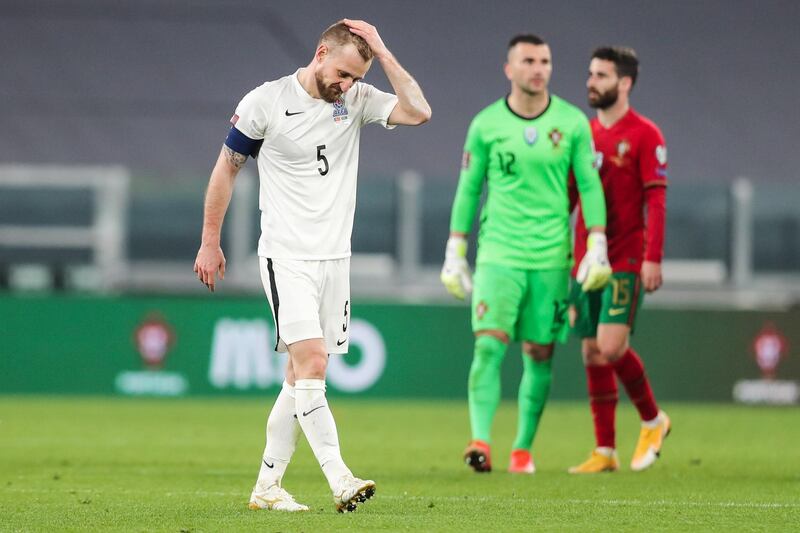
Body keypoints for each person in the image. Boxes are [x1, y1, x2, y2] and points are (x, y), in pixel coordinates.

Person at [193, 19, 430, 511]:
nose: (346, 85)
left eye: (355, 78)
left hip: (334, 260)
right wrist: (209, 241)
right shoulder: (266, 101)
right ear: (321, 52)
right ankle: (340, 478)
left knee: (298, 378)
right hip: (287, 256)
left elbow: (419, 111)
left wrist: (382, 52)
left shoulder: (356, 100)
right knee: (314, 362)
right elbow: (226, 169)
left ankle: (266, 487)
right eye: (343, 73)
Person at [440, 34, 611, 474]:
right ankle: (480, 441)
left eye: (546, 61)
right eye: (529, 60)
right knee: (489, 348)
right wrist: (456, 249)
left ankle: (522, 449)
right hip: (499, 254)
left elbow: (589, 185)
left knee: (539, 353)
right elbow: (469, 188)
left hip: (552, 258)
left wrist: (597, 241)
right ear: (509, 69)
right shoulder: (485, 124)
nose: (539, 68)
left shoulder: (573, 123)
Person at [567, 46, 670, 474]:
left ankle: (652, 419)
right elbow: (569, 198)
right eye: (590, 74)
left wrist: (652, 258)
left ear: (624, 83)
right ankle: (605, 451)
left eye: (602, 75)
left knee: (611, 346)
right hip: (584, 259)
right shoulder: (582, 134)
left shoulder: (646, 135)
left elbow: (656, 201)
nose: (592, 82)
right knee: (591, 351)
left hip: (626, 257)